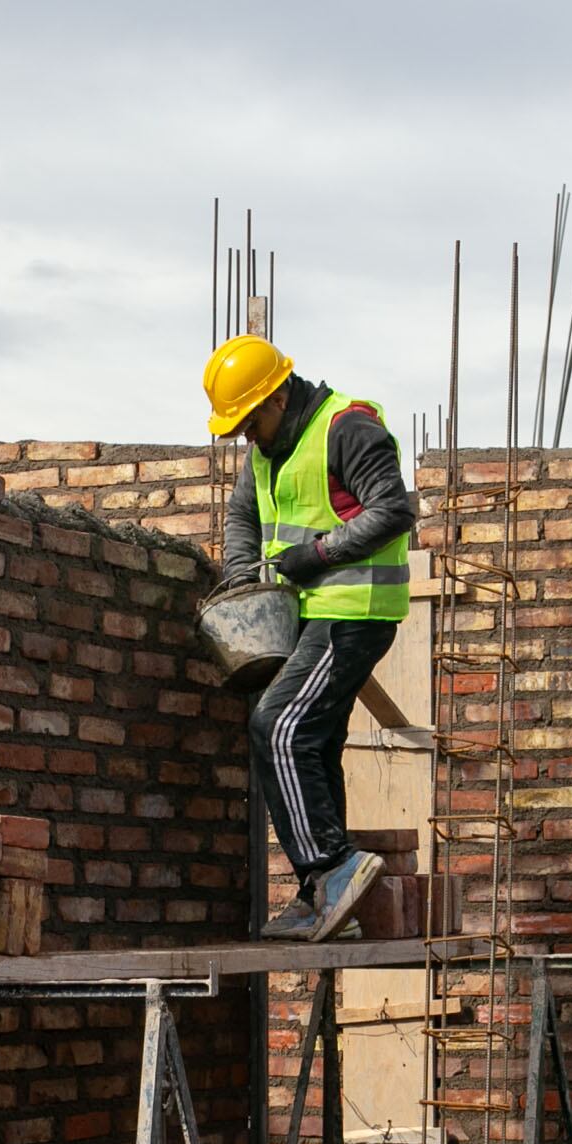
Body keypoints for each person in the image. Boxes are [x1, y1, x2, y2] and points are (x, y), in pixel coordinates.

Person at [203, 332, 413, 942]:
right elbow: (243, 515)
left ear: (275, 398)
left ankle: (331, 868)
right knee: (314, 741)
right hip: (308, 612)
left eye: (248, 421)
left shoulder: (347, 426)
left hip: (354, 609)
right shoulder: (267, 451)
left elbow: (393, 510)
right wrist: (242, 577)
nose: (245, 435)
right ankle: (328, 901)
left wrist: (314, 555)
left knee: (278, 725)